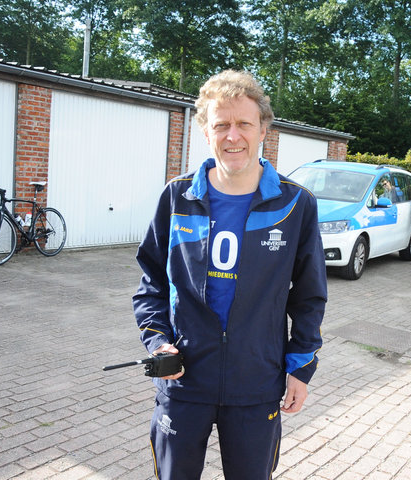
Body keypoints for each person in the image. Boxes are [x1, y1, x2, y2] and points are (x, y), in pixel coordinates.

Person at [132, 69, 327, 480]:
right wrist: (158, 341)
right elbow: (151, 281)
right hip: (184, 381)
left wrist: (300, 367)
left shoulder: (296, 206)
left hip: (257, 384)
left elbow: (309, 297)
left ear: (263, 130)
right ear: (206, 131)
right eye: (221, 125)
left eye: (243, 124)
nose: (232, 136)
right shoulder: (177, 197)